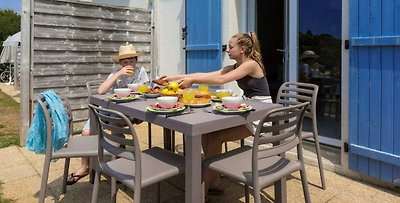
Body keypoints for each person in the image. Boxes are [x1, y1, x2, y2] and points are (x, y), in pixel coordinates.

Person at [161, 32, 271, 198]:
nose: (227, 50)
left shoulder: (251, 64)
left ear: (242, 49)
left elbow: (221, 81)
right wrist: (173, 77)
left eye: (230, 47)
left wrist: (194, 82)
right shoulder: (236, 66)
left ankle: (200, 194)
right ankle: (215, 180)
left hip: (260, 116)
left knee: (216, 138)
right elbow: (206, 75)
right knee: (207, 133)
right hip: (247, 109)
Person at [67, 44, 149, 185]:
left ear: (136, 60)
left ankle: (118, 167)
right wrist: (118, 74)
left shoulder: (141, 71)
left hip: (126, 112)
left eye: (131, 60)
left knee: (115, 130)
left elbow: (146, 91)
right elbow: (101, 90)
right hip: (107, 110)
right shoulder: (116, 71)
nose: (129, 63)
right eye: (125, 61)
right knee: (87, 133)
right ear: (120, 63)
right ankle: (85, 167)